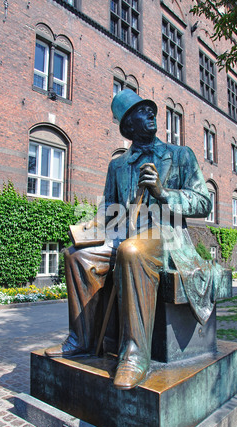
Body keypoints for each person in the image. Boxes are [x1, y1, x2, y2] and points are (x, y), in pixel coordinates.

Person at [45, 89, 222, 390]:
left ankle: (135, 356)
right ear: (128, 126)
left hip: (166, 239)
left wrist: (164, 194)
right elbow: (109, 213)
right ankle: (82, 340)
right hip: (122, 235)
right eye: (142, 111)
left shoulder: (180, 156)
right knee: (76, 256)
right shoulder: (117, 166)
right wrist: (88, 228)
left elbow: (203, 202)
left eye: (151, 110)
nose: (151, 113)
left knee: (133, 250)